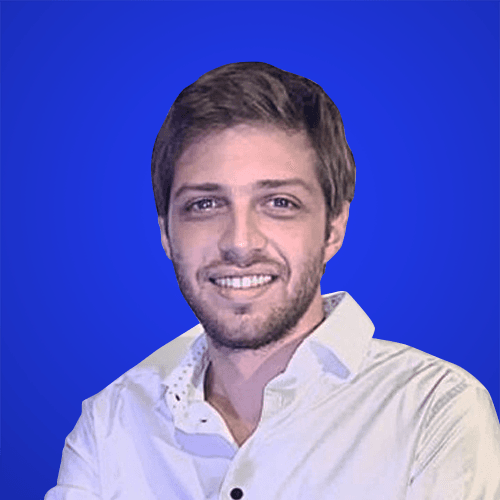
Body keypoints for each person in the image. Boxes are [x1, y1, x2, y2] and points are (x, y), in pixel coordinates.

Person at [46, 62, 500, 500]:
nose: (240, 243)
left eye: (279, 202)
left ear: (334, 227)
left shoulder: (435, 412)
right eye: (205, 204)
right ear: (166, 232)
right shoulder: (110, 425)